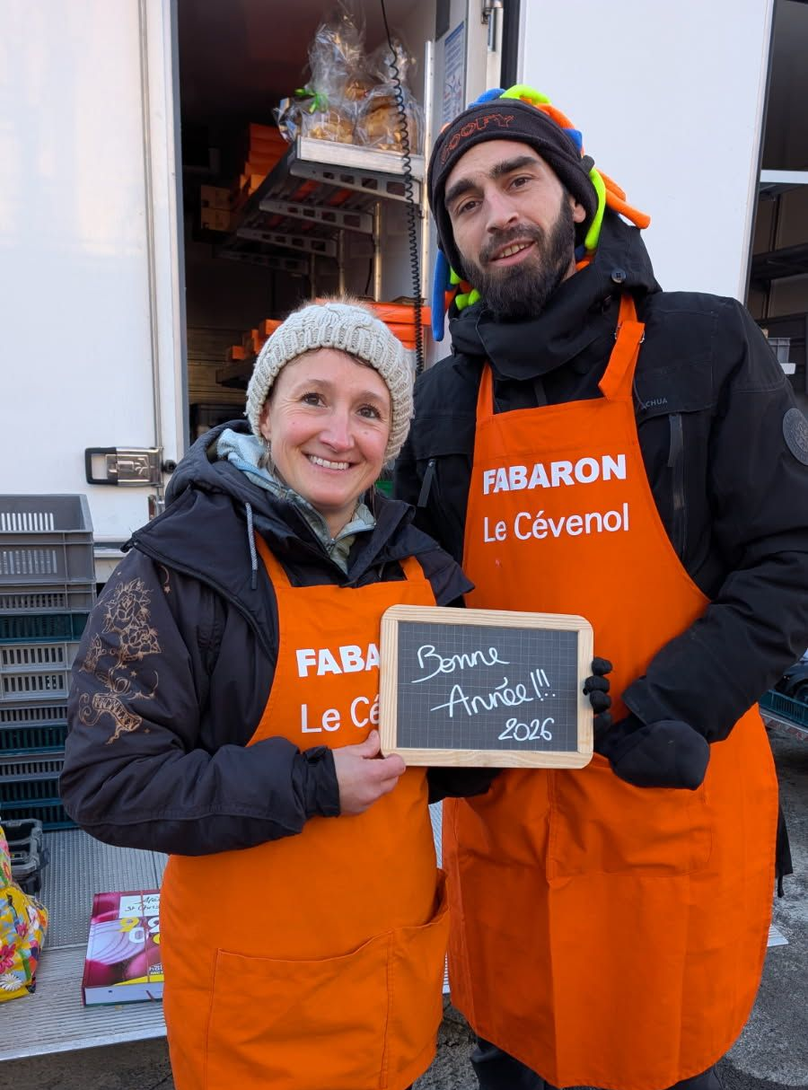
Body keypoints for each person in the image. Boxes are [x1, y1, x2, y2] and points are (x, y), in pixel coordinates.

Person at [394, 85, 808, 1090]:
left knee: (663, 1055)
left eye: (516, 178)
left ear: (574, 197)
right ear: (453, 241)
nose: (495, 213)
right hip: (511, 824)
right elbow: (405, 583)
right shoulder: (443, 399)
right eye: (464, 200)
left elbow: (791, 552)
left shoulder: (702, 345)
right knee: (520, 1054)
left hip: (668, 795)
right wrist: (443, 738)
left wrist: (677, 704)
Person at [60, 299, 471, 1090]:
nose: (338, 434)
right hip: (253, 1003)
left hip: (389, 979)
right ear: (266, 411)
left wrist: (548, 712)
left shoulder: (422, 570)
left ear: (391, 439)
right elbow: (105, 783)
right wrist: (311, 783)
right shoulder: (177, 571)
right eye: (313, 398)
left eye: (368, 411)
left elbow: (450, 755)